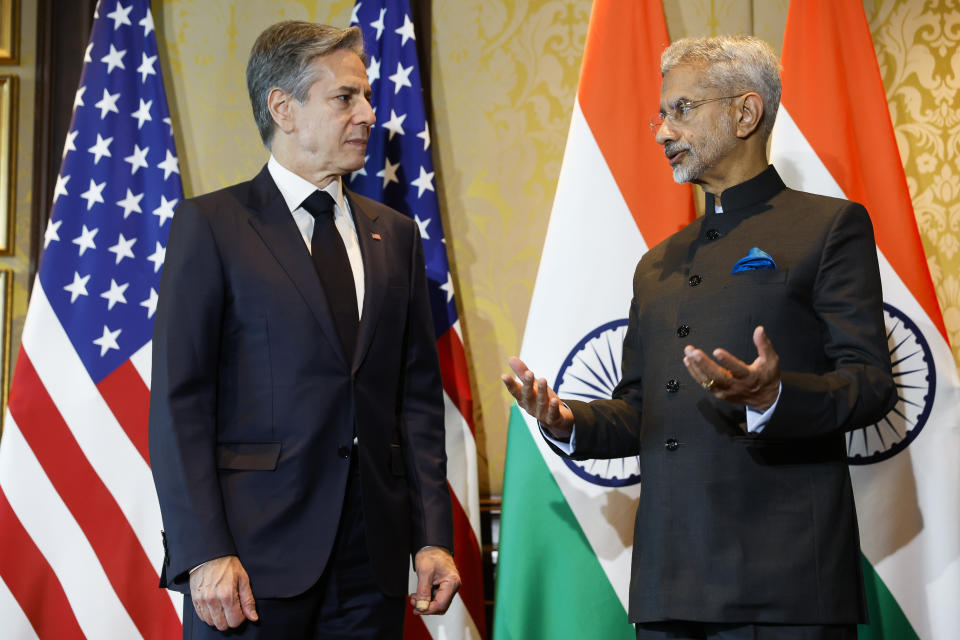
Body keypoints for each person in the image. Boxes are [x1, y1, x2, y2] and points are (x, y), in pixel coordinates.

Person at [504, 35, 896, 640]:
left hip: (784, 581)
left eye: (681, 109)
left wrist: (772, 396)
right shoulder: (656, 263)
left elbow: (871, 385)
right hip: (669, 582)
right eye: (661, 114)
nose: (662, 131)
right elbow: (640, 412)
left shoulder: (828, 227)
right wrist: (565, 421)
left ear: (745, 113)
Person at [149, 21, 460, 639]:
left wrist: (432, 538)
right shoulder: (212, 226)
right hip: (248, 566)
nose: (369, 113)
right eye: (346, 98)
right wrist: (204, 550)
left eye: (367, 96)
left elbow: (416, 404)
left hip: (371, 565)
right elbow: (180, 404)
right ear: (283, 109)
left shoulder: (394, 235)